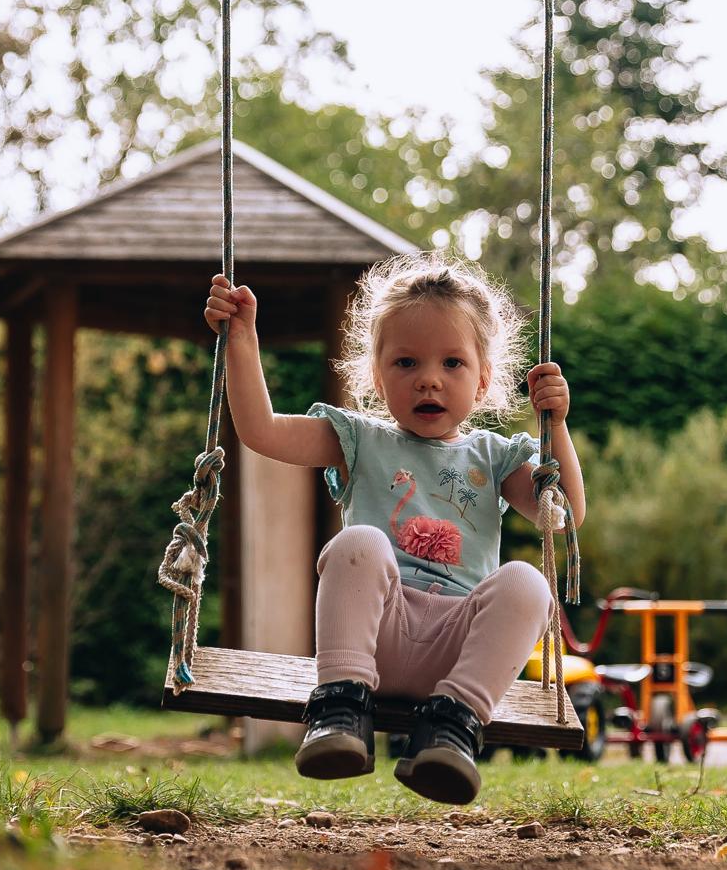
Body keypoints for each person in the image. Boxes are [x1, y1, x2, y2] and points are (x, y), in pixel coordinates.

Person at [203, 252, 587, 805]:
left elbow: (565, 516)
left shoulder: (497, 457)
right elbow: (262, 431)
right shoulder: (360, 439)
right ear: (377, 378)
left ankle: (452, 728)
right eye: (406, 363)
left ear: (482, 381)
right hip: (373, 635)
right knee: (359, 543)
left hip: (458, 650)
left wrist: (556, 426)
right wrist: (241, 338)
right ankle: (340, 709)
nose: (428, 379)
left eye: (451, 363)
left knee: (528, 582)